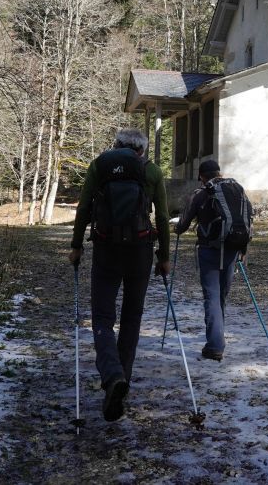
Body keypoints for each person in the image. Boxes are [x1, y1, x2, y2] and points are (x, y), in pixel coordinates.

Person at [68, 127, 171, 421]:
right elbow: (162, 216)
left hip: (106, 249)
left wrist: (76, 246)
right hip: (140, 249)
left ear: (116, 145)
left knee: (102, 317)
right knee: (131, 318)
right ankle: (121, 378)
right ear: (142, 150)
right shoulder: (151, 171)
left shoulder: (100, 165)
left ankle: (112, 376)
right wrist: (163, 257)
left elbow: (84, 208)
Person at [174, 160, 253, 362]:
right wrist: (244, 248)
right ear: (219, 172)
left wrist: (176, 228)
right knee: (221, 296)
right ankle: (218, 335)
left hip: (209, 250)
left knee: (212, 296)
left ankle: (215, 345)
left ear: (201, 176)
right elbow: (248, 216)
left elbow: (182, 225)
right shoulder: (237, 189)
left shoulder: (200, 193)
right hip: (232, 249)